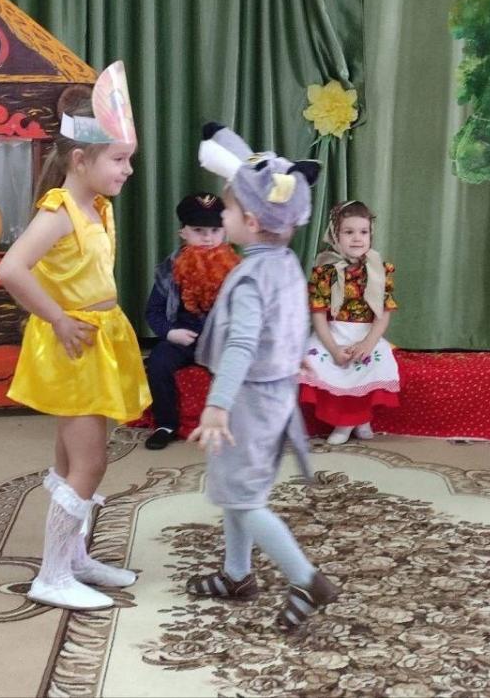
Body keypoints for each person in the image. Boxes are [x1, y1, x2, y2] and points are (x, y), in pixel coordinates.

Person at [0, 61, 151, 610]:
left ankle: (74, 558)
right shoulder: (59, 212)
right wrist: (57, 319)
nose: (128, 169)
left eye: (129, 158)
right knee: (90, 463)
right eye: (119, 159)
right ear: (80, 160)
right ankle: (52, 574)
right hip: (77, 343)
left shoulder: (95, 207)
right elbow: (11, 269)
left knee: (73, 461)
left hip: (98, 340)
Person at [185, 122, 339, 633]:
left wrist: (217, 405)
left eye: (227, 212)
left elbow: (243, 344)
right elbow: (288, 321)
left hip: (249, 401)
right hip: (274, 394)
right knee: (237, 488)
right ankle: (237, 575)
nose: (222, 218)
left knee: (245, 499)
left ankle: (306, 580)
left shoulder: (252, 275)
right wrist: (296, 357)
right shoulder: (285, 263)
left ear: (250, 221)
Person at [300, 200, 400, 444]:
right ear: (335, 235)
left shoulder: (378, 269)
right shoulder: (325, 270)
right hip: (333, 333)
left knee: (376, 361)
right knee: (322, 363)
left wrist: (368, 343)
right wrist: (334, 348)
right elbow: (318, 315)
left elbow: (383, 313)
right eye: (348, 232)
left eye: (363, 232)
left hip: (365, 333)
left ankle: (359, 419)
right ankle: (344, 422)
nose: (357, 238)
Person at [143, 191, 237, 450]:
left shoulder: (237, 269)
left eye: (215, 230)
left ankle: (232, 422)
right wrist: (170, 333)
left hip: (221, 339)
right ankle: (166, 424)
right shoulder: (169, 269)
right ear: (183, 232)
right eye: (198, 230)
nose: (208, 238)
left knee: (240, 362)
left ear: (226, 232)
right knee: (159, 361)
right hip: (184, 337)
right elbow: (153, 311)